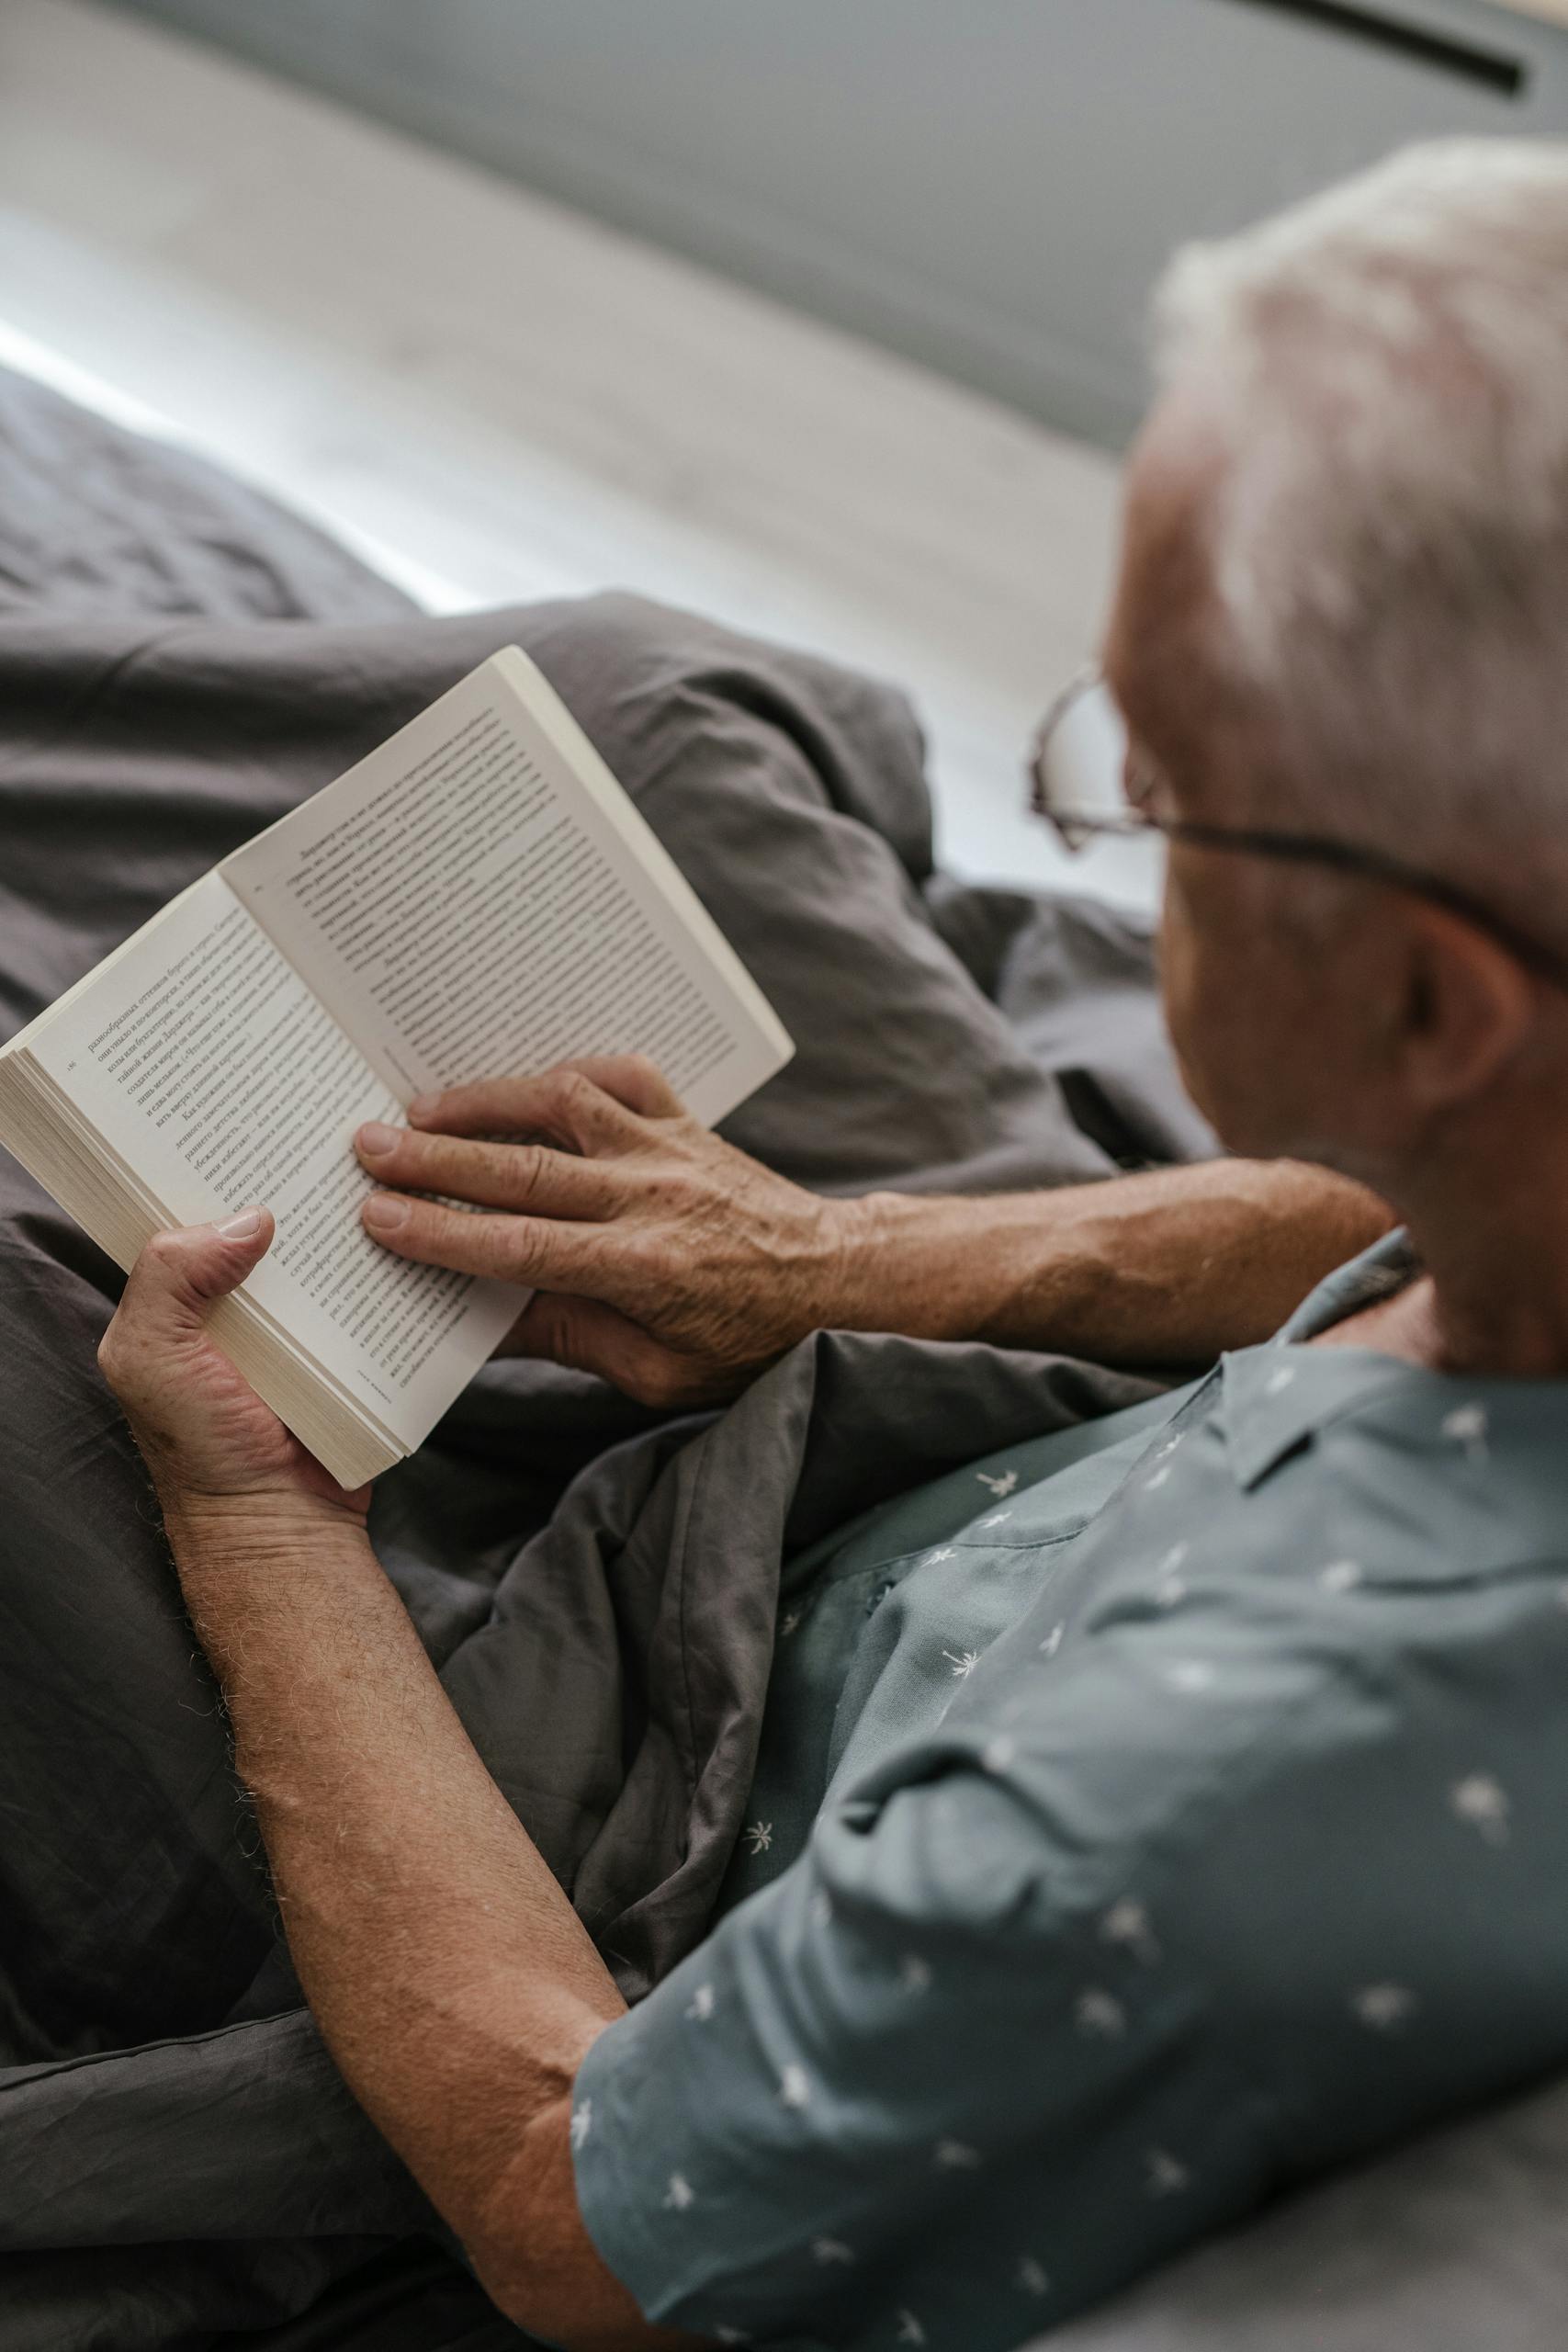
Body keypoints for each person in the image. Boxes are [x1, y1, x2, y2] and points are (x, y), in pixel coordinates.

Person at [91, 137, 1568, 2350]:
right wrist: (829, 1258)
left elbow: (561, 2197)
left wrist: (259, 1511)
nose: (1105, 818)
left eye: (1146, 782)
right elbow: (1394, 1202)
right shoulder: (1508, 1136)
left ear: (1431, 1003)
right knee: (643, 696)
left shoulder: (1200, 1802)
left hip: (677, 1823)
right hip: (1016, 1448)